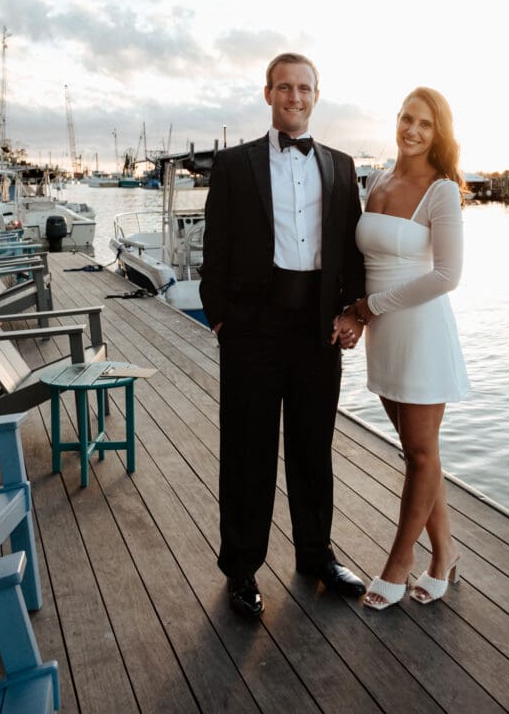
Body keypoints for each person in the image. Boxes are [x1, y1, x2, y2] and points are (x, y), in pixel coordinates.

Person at [200, 51, 367, 619]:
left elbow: (350, 251)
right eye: (285, 88)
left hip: (316, 329)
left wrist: (354, 313)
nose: (295, 97)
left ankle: (316, 555)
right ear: (268, 93)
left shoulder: (342, 168)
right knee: (247, 450)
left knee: (312, 446)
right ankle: (242, 567)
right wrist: (220, 318)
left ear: (316, 96)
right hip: (252, 327)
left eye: (304, 88)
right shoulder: (233, 166)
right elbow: (214, 251)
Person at [334, 86, 470, 609]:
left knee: (418, 452)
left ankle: (401, 561)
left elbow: (447, 275)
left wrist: (371, 308)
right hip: (383, 330)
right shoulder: (377, 180)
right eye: (407, 119)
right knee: (420, 452)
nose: (412, 130)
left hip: (419, 330)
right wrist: (355, 312)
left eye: (425, 124)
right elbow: (361, 261)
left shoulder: (441, 191)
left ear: (439, 134)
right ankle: (446, 555)